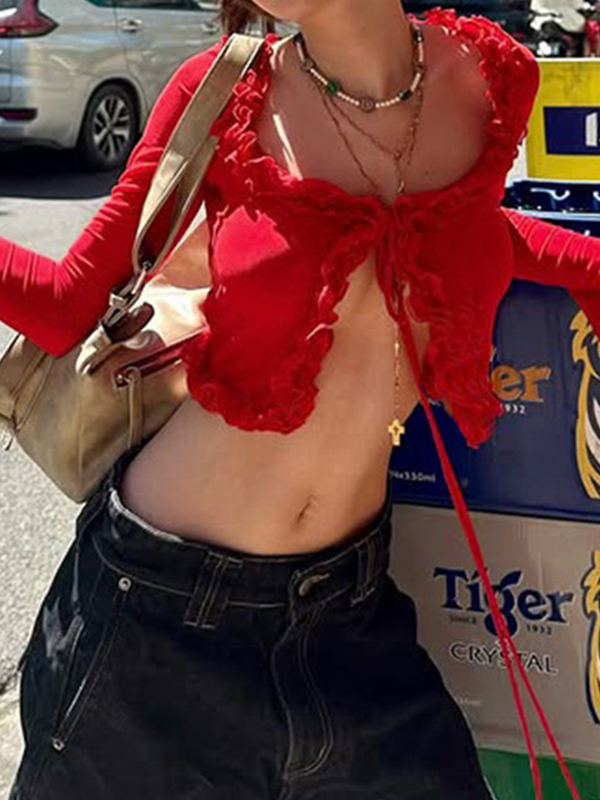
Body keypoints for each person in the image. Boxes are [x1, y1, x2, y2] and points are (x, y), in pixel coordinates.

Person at [2, 0, 600, 798]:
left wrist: (590, 271)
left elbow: (459, 233)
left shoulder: (483, 83)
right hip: (156, 620)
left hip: (349, 617)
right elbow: (67, 300)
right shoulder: (222, 93)